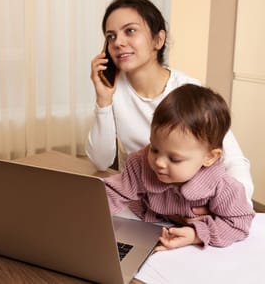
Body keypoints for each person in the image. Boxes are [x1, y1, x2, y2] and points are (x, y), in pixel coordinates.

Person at [85, 0, 254, 204]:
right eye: (111, 36)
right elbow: (101, 162)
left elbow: (234, 160)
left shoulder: (187, 90)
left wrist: (232, 207)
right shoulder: (113, 90)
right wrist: (103, 100)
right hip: (144, 203)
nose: (118, 42)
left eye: (130, 31)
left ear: (158, 39)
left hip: (189, 205)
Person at [104, 84, 255, 249]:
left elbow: (239, 223)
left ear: (210, 157)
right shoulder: (141, 164)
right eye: (154, 149)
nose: (159, 163)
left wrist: (196, 235)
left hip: (191, 250)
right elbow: (112, 193)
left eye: (174, 159)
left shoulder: (222, 186)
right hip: (145, 229)